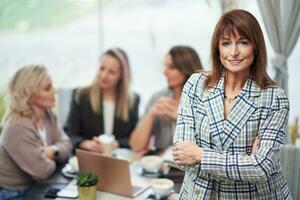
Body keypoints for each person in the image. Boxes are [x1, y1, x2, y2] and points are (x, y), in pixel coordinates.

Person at [172, 9, 291, 199]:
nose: (234, 52)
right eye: (226, 43)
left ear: (256, 47)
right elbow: (181, 157)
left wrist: (200, 155)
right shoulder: (196, 84)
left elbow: (260, 168)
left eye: (243, 42)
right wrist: (244, 162)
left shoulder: (274, 98)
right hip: (199, 194)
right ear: (217, 48)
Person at [0, 65, 72, 199]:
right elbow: (42, 171)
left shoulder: (48, 114)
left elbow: (67, 144)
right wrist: (55, 157)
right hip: (15, 194)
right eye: (47, 88)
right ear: (29, 94)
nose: (54, 91)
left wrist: (52, 151)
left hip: (39, 186)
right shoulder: (17, 126)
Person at [65, 48, 139, 152]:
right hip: (90, 159)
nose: (104, 75)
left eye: (111, 72)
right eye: (102, 68)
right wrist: (85, 143)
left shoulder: (132, 101)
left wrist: (117, 143)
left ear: (121, 76)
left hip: (118, 160)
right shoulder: (81, 95)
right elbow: (69, 133)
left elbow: (134, 139)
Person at [130, 45, 203, 152]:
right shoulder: (158, 98)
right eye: (165, 66)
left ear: (186, 69)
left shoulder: (204, 99)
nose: (164, 72)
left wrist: (180, 118)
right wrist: (151, 114)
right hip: (162, 166)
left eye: (171, 67)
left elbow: (212, 146)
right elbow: (136, 146)